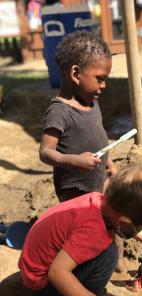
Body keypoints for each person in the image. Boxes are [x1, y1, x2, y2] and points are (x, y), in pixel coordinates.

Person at [18, 162, 142, 296]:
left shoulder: (98, 201)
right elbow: (57, 273)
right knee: (109, 254)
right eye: (139, 227)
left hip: (33, 271)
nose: (138, 230)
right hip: (42, 289)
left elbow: (126, 223)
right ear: (125, 223)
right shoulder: (93, 232)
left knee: (106, 247)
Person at [39, 31, 117, 203]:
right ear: (75, 74)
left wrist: (108, 162)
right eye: (100, 79)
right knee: (85, 224)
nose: (104, 85)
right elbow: (45, 153)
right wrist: (75, 160)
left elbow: (97, 136)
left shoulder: (92, 102)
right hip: (75, 193)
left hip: (99, 180)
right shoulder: (59, 111)